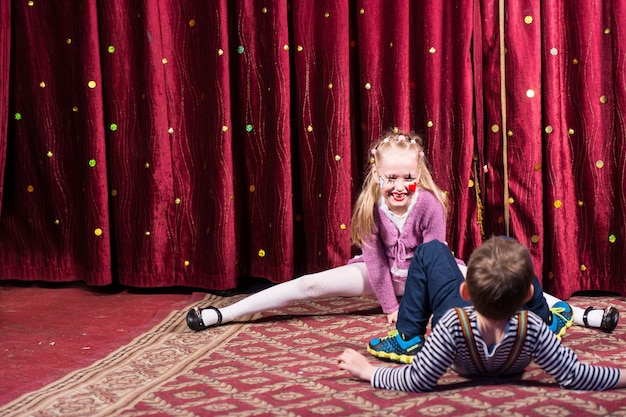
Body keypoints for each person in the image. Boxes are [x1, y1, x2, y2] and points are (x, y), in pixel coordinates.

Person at [186, 131, 617, 337]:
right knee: (310, 284)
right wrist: (389, 305)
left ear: (418, 175)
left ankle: (584, 316)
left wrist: (415, 305)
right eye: (391, 177)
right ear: (378, 174)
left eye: (407, 178)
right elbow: (373, 261)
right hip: (379, 279)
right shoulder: (372, 207)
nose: (399, 186)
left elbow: (433, 256)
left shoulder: (428, 203)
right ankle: (223, 314)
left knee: (497, 283)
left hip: (429, 276)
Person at [338, 236, 626, 392]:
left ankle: (407, 337)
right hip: (528, 325)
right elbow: (578, 376)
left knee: (432, 250)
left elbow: (417, 380)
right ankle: (552, 316)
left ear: (466, 291)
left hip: (458, 322)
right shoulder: (533, 328)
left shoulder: (451, 325)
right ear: (526, 295)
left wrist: (369, 372)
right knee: (514, 252)